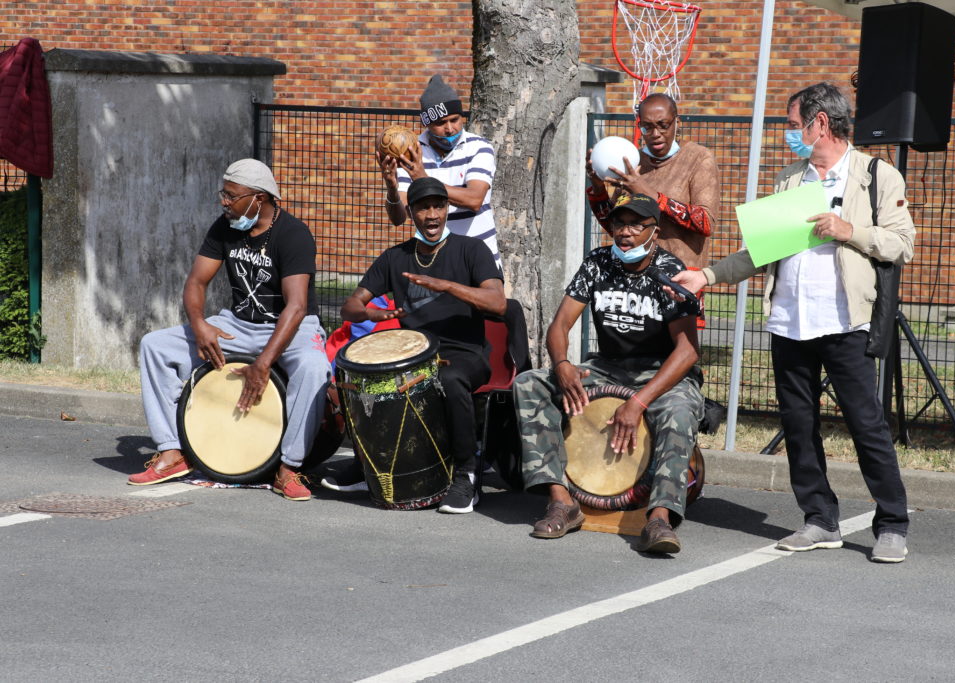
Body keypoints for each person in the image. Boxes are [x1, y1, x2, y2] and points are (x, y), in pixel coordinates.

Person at [669, 82, 915, 563]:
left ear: (819, 123)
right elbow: (762, 252)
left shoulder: (875, 176)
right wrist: (709, 274)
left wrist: (851, 232)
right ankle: (819, 519)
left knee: (866, 426)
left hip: (846, 324)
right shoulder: (790, 180)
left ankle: (892, 524)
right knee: (799, 427)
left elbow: (902, 244)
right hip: (790, 323)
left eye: (791, 124)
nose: (789, 134)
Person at [129, 159, 331, 501]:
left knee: (313, 368)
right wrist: (200, 325)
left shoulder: (293, 234)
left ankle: (289, 467)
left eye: (231, 195)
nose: (224, 201)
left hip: (291, 327)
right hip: (237, 324)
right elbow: (196, 281)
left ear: (259, 198)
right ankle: (172, 452)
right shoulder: (225, 227)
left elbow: (296, 307)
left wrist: (263, 364)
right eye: (224, 193)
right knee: (155, 345)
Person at [514, 193, 704, 555]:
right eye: (619, 223)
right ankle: (561, 501)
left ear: (655, 231)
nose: (625, 232)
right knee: (529, 384)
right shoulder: (598, 262)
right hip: (608, 365)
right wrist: (563, 366)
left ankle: (659, 518)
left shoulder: (669, 270)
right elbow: (559, 326)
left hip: (661, 372)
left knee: (679, 412)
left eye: (636, 224)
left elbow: (687, 351)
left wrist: (639, 402)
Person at [342, 176, 506, 514]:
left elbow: (498, 303)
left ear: (447, 208)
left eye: (438, 206)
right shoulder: (395, 258)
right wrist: (375, 311)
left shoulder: (471, 250)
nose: (431, 216)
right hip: (412, 358)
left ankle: (467, 473)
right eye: (422, 208)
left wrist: (447, 285)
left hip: (465, 354)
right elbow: (350, 306)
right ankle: (370, 464)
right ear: (411, 212)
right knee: (356, 377)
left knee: (448, 379)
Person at [586, 93, 720, 279]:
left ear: (677, 123)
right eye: (647, 127)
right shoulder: (633, 161)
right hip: (633, 278)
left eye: (663, 125)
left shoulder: (698, 158)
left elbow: (706, 222)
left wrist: (651, 195)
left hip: (680, 278)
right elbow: (615, 227)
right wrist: (598, 189)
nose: (656, 134)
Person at [377, 74, 501, 268]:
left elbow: (474, 200)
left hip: (479, 259)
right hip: (435, 261)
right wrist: (391, 188)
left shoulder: (479, 147)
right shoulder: (411, 152)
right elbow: (398, 218)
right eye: (441, 123)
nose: (450, 128)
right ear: (426, 123)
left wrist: (422, 178)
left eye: (455, 119)